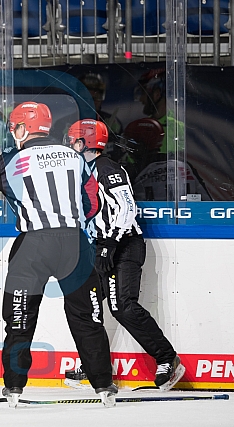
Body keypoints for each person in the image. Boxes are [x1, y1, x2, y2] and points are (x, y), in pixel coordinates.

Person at [0, 102, 117, 407]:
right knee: (87, 319)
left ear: (22, 128)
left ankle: (14, 389)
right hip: (74, 243)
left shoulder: (11, 159)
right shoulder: (74, 157)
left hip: (33, 245)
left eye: (13, 127)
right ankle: (104, 387)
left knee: (19, 319)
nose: (13, 132)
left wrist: (2, 171)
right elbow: (92, 203)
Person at [63, 119, 186, 391]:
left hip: (124, 246)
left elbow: (127, 208)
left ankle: (168, 358)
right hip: (98, 247)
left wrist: (109, 244)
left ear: (84, 143)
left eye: (72, 140)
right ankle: (95, 367)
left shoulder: (107, 168)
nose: (69, 144)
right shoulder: (79, 172)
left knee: (123, 307)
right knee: (87, 307)